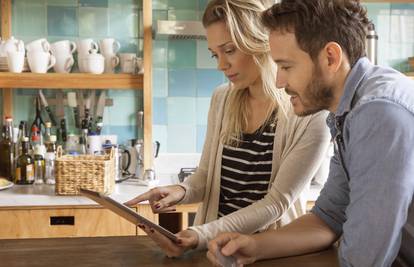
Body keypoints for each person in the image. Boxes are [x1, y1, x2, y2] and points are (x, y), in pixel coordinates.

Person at [207, 1, 414, 266]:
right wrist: (255, 246)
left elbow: (364, 259)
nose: (280, 82)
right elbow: (327, 218)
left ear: (330, 57)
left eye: (286, 66)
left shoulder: (379, 113)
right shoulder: (347, 112)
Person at [125, 0, 330, 258]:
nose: (221, 64)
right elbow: (205, 175)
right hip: (213, 251)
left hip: (268, 254)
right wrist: (179, 191)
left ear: (261, 41)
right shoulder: (222, 99)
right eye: (215, 54)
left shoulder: (310, 114)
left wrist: (201, 234)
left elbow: (276, 204)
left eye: (229, 50)